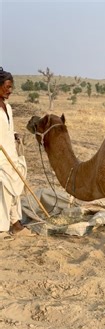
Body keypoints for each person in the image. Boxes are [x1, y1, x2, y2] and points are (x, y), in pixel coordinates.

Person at [0, 67, 32, 240]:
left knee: (14, 192)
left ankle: (16, 224)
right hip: (0, 160)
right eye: (6, 87)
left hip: (11, 155)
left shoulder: (8, 108)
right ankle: (2, 229)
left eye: (11, 87)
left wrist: (14, 135)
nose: (10, 90)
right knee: (3, 193)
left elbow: (5, 130)